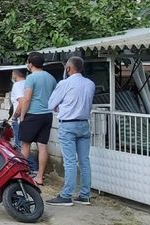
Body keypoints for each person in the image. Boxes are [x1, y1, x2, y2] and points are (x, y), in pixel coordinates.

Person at [45, 56, 95, 207]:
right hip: (84, 124)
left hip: (68, 125)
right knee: (84, 160)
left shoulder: (64, 83)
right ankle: (85, 195)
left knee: (70, 161)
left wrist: (60, 107)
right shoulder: (90, 84)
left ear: (68, 68)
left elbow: (51, 104)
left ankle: (66, 195)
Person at [19, 52, 58, 186]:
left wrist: (22, 115)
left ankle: (22, 174)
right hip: (47, 115)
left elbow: (27, 98)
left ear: (30, 64)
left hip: (33, 114)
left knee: (25, 144)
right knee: (42, 146)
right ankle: (40, 177)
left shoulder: (31, 78)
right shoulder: (51, 78)